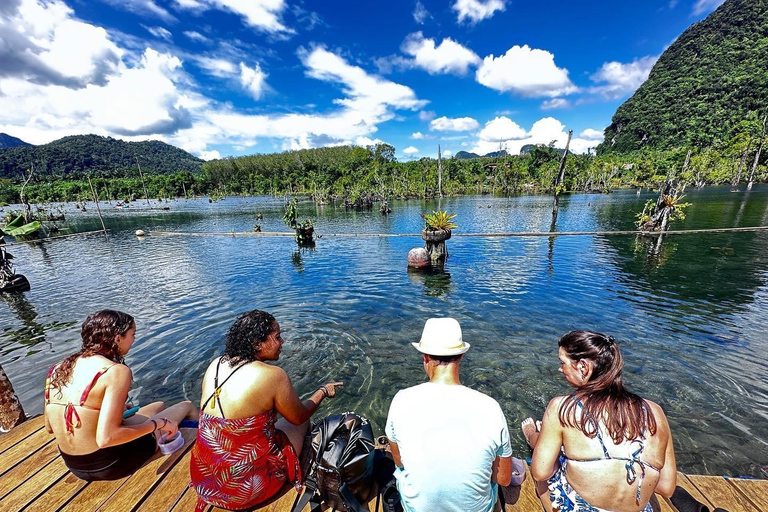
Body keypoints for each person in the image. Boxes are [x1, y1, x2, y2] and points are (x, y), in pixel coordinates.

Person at [190, 309, 343, 512]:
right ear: (257, 344)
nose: (283, 342)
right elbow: (299, 416)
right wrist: (322, 392)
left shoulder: (216, 364)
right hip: (244, 489)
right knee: (304, 423)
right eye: (277, 337)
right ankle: (305, 470)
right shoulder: (273, 375)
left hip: (206, 480)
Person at [522, 330, 677, 512]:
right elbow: (666, 488)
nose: (560, 369)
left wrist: (535, 436)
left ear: (583, 367)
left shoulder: (563, 407)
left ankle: (535, 435)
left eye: (562, 363)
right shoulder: (654, 411)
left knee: (544, 478)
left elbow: (541, 472)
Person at [385, 317, 524, 512]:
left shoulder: (401, 400)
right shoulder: (490, 407)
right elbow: (503, 478)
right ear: (461, 357)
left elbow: (399, 461)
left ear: (425, 357)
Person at [44, 310, 197, 481]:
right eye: (132, 334)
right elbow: (106, 438)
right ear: (118, 338)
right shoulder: (115, 371)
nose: (134, 339)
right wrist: (157, 424)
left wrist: (109, 410)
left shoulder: (58, 369)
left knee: (158, 405)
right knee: (187, 406)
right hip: (111, 463)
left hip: (75, 466)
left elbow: (50, 427)